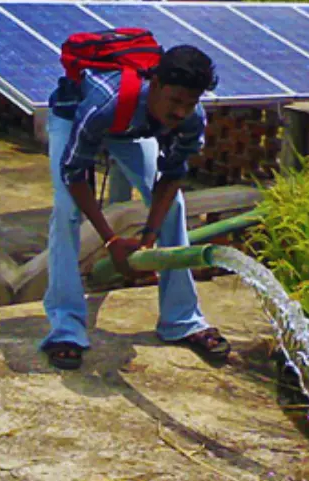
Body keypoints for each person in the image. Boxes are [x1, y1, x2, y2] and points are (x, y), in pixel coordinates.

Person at [40, 44, 231, 371]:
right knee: (66, 211)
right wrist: (112, 242)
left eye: (189, 103)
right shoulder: (103, 105)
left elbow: (171, 177)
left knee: (175, 207)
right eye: (175, 101)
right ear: (154, 85)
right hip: (74, 116)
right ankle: (66, 328)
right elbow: (75, 175)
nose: (181, 112)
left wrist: (149, 236)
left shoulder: (189, 117)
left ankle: (182, 319)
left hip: (133, 127)